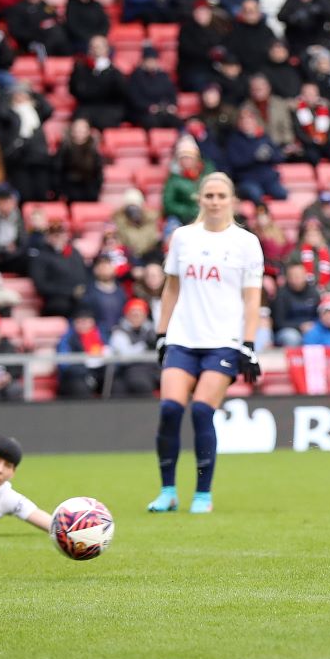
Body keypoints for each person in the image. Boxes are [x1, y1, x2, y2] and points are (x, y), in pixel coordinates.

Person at [149, 172, 262, 514]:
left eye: (221, 196)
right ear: (199, 199)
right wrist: (161, 333)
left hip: (223, 342)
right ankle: (168, 491)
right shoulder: (183, 238)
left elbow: (252, 298)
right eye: (209, 195)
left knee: (200, 410)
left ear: (232, 201)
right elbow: (171, 288)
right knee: (169, 410)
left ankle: (202, 494)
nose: (214, 201)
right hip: (183, 338)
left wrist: (248, 343)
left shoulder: (246, 242)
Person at [109, 298, 160, 397]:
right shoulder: (119, 331)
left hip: (153, 368)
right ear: (127, 315)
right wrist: (145, 345)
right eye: (133, 314)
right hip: (129, 370)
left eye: (140, 313)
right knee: (138, 383)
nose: (136, 317)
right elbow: (126, 355)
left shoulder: (151, 329)